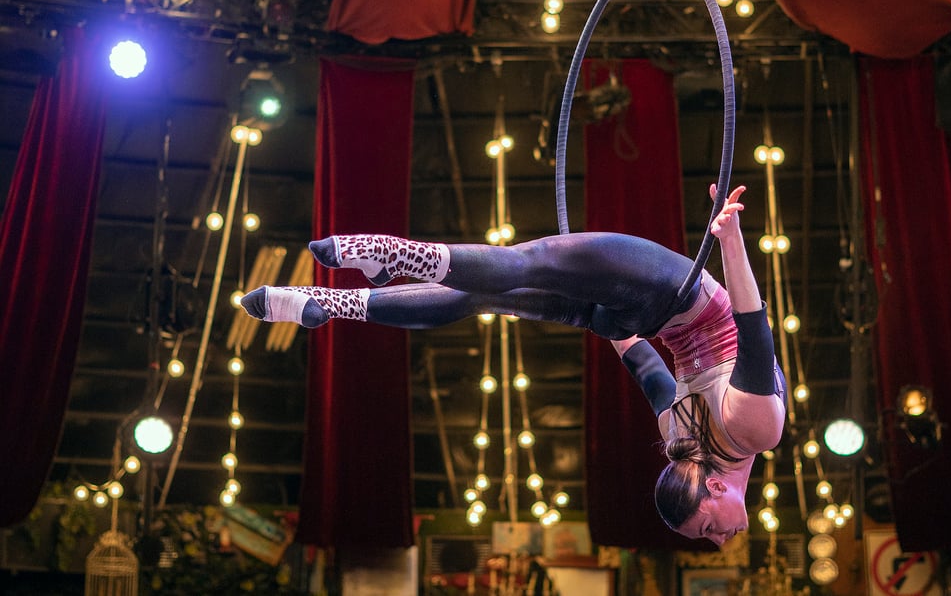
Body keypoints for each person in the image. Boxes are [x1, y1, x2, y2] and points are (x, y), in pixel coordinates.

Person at [240, 185, 786, 545]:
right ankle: (379, 265)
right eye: (712, 532)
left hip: (653, 299)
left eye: (708, 534)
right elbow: (752, 324)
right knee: (517, 274)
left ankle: (330, 301)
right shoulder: (719, 433)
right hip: (652, 299)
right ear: (712, 491)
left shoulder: (707, 437)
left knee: (516, 274)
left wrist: (602, 316)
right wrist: (729, 238)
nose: (722, 539)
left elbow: (646, 363)